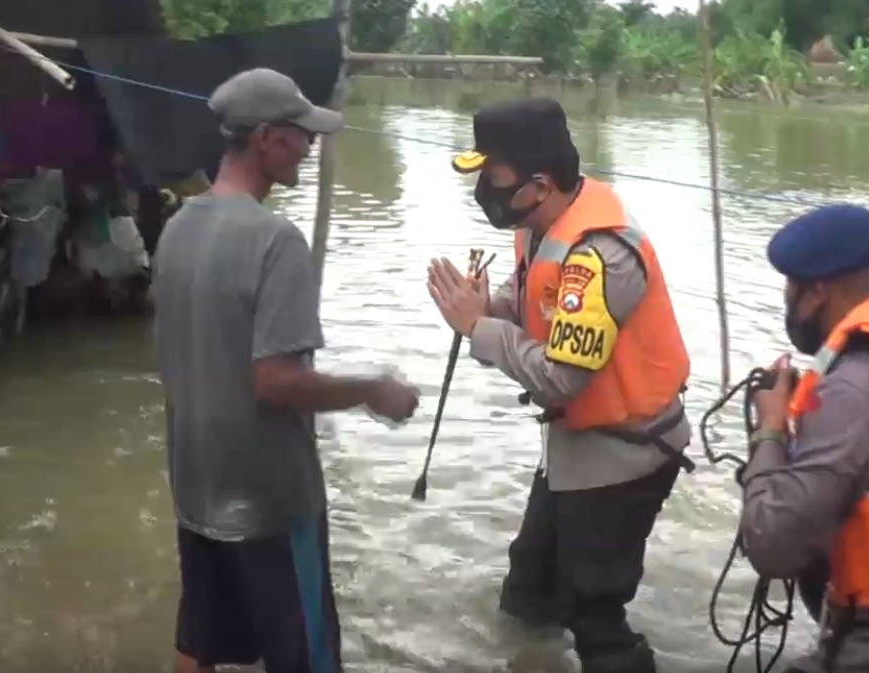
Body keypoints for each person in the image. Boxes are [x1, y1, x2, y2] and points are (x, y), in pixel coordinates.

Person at [152, 68, 421, 673]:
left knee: (198, 644)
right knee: (305, 655)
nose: (310, 145)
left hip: (195, 485)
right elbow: (273, 380)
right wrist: (373, 389)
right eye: (302, 134)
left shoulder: (175, 229)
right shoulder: (276, 240)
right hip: (270, 499)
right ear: (268, 137)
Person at [426, 98, 692, 673]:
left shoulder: (598, 258)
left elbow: (559, 379)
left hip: (624, 456)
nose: (482, 192)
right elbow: (535, 319)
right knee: (529, 591)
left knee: (592, 612)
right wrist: (483, 309)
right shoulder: (539, 227)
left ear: (540, 183)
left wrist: (478, 326)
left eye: (491, 177)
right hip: (575, 452)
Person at [741, 204, 869, 673]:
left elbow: (772, 543)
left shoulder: (854, 384)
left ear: (816, 293)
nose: (787, 303)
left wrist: (771, 432)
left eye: (790, 289)